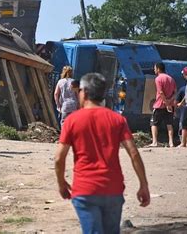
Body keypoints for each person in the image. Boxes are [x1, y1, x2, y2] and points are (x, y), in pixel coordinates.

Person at [55, 73, 150, 234]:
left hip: (86, 190)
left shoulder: (72, 120)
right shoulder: (117, 120)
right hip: (113, 189)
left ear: (83, 92)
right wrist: (143, 185)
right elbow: (133, 153)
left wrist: (62, 183)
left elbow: (59, 158)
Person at [149, 62, 176, 147]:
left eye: (155, 68)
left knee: (154, 123)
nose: (154, 70)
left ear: (158, 69)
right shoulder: (171, 79)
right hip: (170, 105)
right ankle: (171, 143)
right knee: (169, 124)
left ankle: (155, 142)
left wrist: (165, 102)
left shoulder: (158, 79)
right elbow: (175, 93)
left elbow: (160, 92)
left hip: (159, 105)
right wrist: (169, 102)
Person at [54, 66, 79, 133]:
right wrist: (79, 105)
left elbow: (56, 93)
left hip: (65, 105)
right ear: (71, 73)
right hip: (73, 104)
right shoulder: (74, 82)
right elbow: (78, 94)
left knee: (63, 122)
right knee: (73, 122)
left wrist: (58, 105)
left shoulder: (60, 82)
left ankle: (64, 137)